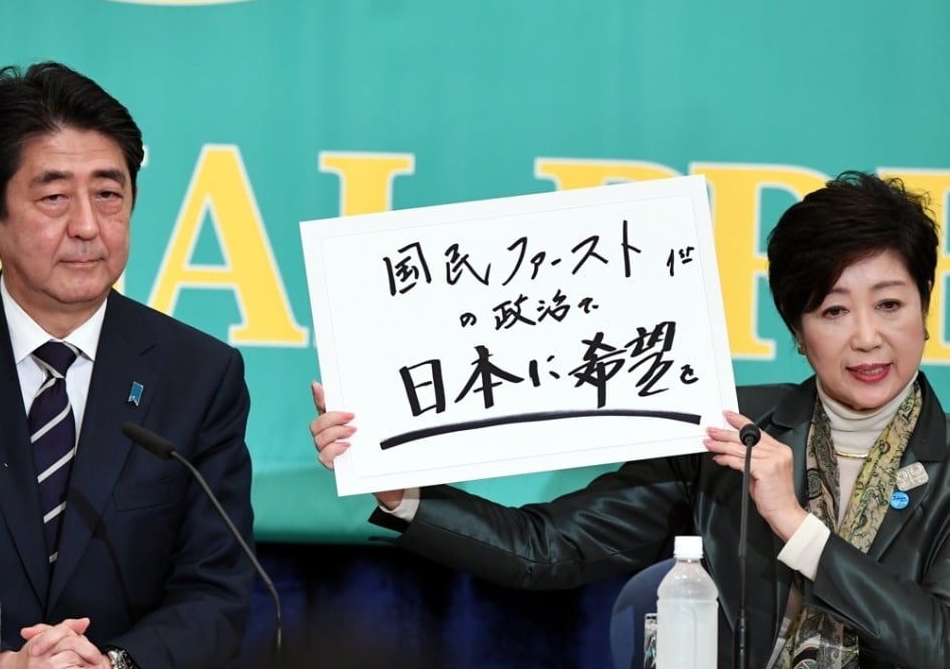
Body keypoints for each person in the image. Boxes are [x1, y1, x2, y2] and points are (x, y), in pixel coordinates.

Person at [311, 171, 950, 668]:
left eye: (890, 304)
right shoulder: (730, 432)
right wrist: (400, 491)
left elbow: (938, 645)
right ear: (798, 332)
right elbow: (549, 549)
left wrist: (795, 524)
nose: (868, 337)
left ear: (925, 313)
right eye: (834, 312)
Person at [0, 62, 255, 668]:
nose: (86, 226)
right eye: (53, 197)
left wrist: (112, 665)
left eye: (108, 194)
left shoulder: (198, 375)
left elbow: (218, 590)